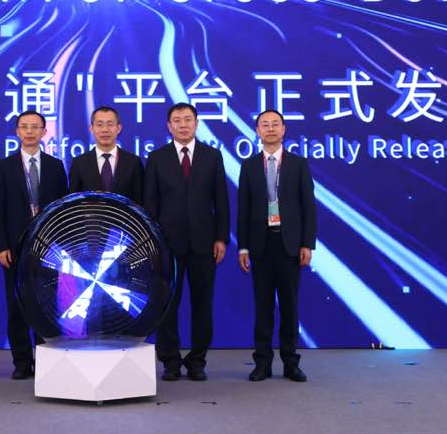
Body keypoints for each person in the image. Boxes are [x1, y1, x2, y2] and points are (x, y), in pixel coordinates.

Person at [143, 102, 229, 381]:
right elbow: (150, 204)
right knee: (168, 305)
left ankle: (197, 361)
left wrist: (221, 238)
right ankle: (170, 360)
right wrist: (153, 243)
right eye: (177, 120)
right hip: (167, 245)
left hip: (205, 243)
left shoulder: (212, 156)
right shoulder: (157, 158)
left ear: (196, 123)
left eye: (188, 119)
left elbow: (221, 201)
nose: (183, 125)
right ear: (169, 126)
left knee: (202, 304)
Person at [237, 109, 316, 382]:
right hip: (260, 244)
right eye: (264, 125)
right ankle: (262, 363)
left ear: (283, 129)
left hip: (289, 244)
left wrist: (307, 244)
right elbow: (244, 209)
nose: (270, 129)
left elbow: (309, 207)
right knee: (263, 306)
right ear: (257, 131)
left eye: (275, 124)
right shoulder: (249, 166)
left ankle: (291, 362)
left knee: (290, 306)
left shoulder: (298, 164)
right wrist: (243, 247)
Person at [0, 110, 68, 379]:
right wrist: (1, 245)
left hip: (48, 249)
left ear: (44, 132)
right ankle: (21, 362)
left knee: (45, 305)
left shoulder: (55, 166)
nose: (29, 132)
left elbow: (63, 211)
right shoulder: (4, 167)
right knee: (16, 306)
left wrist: (60, 248)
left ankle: (46, 360)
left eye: (35, 127)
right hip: (13, 248)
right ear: (17, 132)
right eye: (24, 127)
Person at [67, 105, 145, 203]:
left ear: (119, 128)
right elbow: (73, 202)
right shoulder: (79, 163)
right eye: (99, 125)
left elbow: (139, 203)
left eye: (110, 124)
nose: (105, 130)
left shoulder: (133, 162)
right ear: (91, 128)